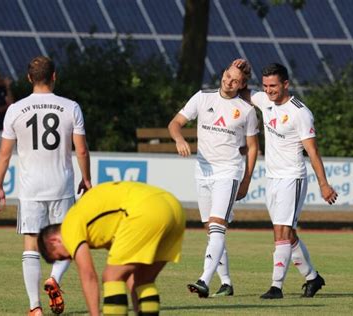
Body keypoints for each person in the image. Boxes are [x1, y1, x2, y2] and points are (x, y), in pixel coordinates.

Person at [0, 56, 91, 316]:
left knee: (31, 244)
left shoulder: (15, 109)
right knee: (68, 241)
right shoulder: (71, 107)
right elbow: (81, 149)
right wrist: (86, 178)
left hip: (30, 188)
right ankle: (54, 278)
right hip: (61, 186)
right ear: (54, 76)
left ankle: (34, 307)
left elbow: (3, 154)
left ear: (28, 78)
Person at [236, 61, 337, 299]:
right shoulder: (264, 101)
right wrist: (241, 72)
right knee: (286, 235)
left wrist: (323, 183)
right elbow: (238, 91)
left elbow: (312, 152)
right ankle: (313, 278)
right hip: (272, 178)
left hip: (292, 177)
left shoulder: (300, 113)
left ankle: (276, 287)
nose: (269, 90)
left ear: (285, 84)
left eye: (273, 86)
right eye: (265, 86)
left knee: (281, 231)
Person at [168, 60, 259, 298]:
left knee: (218, 226)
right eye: (227, 76)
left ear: (243, 84)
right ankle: (226, 283)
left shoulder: (247, 110)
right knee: (211, 230)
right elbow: (175, 124)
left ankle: (204, 280)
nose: (229, 82)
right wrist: (179, 139)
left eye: (236, 80)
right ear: (223, 73)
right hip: (203, 172)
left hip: (228, 172)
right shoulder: (202, 97)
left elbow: (252, 147)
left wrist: (246, 180)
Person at [37, 181, 185, 316]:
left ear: (54, 240)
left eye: (61, 257)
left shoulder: (69, 225)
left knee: (111, 277)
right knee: (143, 280)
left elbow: (88, 275)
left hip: (144, 210)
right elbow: (131, 277)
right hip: (174, 208)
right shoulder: (99, 227)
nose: (68, 259)